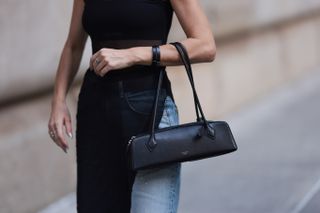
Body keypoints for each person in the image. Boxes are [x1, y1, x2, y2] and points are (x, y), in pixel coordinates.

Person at [48, 0, 216, 212]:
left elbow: (205, 45)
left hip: (150, 113)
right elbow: (73, 46)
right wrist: (58, 100)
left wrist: (134, 55)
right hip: (96, 115)